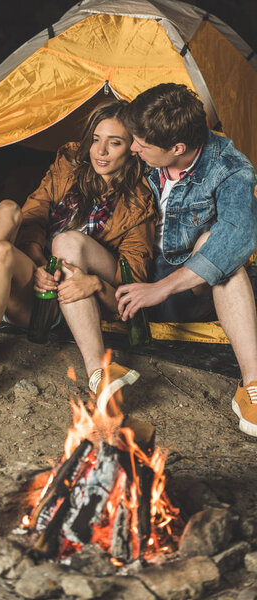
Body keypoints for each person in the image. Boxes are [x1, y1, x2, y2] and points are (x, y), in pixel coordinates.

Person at [0, 100, 156, 427]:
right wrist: (37, 261)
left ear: (133, 148)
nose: (101, 151)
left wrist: (94, 283)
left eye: (115, 142)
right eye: (96, 138)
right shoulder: (69, 165)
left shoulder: (139, 202)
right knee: (7, 216)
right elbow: (33, 213)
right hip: (26, 284)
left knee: (56, 243)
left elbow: (133, 282)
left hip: (58, 306)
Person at [115, 83, 257, 437]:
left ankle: (252, 385)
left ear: (177, 148)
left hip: (187, 290)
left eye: (142, 145)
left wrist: (160, 289)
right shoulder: (142, 158)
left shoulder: (228, 167)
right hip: (134, 273)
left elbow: (238, 236)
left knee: (223, 250)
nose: (132, 148)